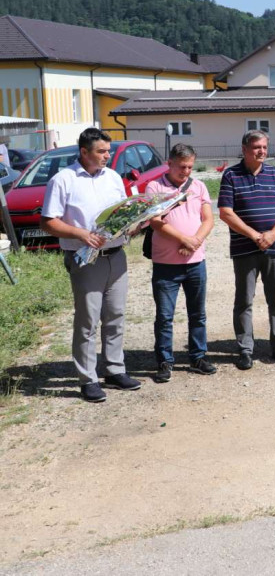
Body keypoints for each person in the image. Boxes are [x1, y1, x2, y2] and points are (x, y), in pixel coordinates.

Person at [41, 127, 140, 403]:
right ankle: (88, 379)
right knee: (87, 321)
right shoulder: (63, 180)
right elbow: (48, 221)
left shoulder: (113, 178)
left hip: (116, 256)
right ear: (84, 152)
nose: (108, 156)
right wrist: (81, 234)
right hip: (84, 259)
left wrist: (132, 225)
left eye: (109, 151)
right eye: (102, 151)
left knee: (115, 316)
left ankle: (114, 370)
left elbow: (122, 212)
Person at [218, 130, 275, 369]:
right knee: (244, 300)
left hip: (274, 247)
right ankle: (245, 350)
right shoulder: (231, 175)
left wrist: (272, 235)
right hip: (245, 249)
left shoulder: (274, 173)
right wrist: (254, 235)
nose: (261, 151)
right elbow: (225, 212)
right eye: (256, 148)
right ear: (244, 150)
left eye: (264, 147)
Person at [146, 144, 216, 383]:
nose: (186, 171)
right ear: (170, 163)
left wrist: (195, 241)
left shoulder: (199, 186)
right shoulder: (155, 187)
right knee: (165, 316)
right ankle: (164, 361)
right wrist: (184, 239)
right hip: (166, 264)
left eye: (189, 167)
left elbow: (208, 219)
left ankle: (198, 357)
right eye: (181, 167)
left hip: (195, 261)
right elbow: (155, 221)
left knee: (198, 313)